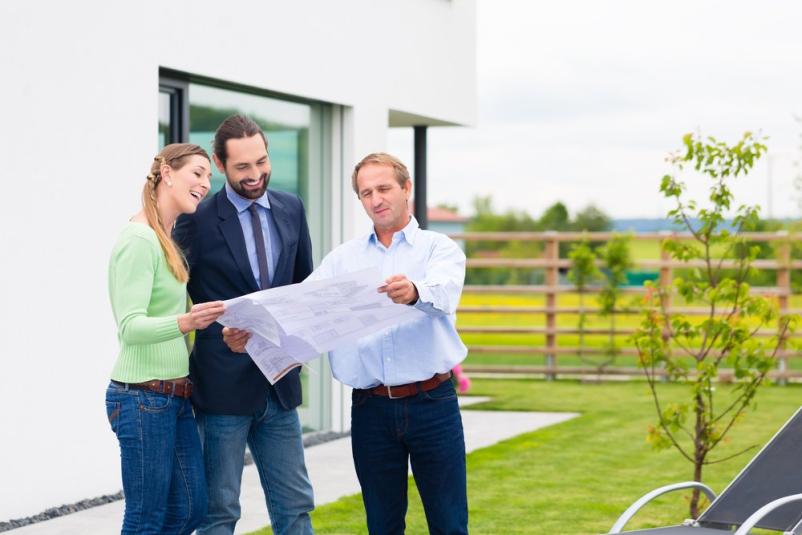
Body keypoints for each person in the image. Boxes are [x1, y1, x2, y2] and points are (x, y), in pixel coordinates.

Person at [225, 152, 470, 535]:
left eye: (384, 188)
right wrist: (250, 334)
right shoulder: (342, 260)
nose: (376, 199)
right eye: (366, 192)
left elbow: (445, 291)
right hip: (370, 410)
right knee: (382, 524)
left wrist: (414, 290)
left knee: (449, 523)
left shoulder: (438, 249)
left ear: (406, 189)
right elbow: (299, 311)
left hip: (432, 405)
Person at [173, 115, 315, 535]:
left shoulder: (291, 208)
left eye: (261, 162)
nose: (255, 175)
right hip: (221, 390)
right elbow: (171, 298)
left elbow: (301, 288)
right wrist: (219, 331)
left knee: (295, 506)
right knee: (219, 512)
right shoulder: (195, 220)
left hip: (279, 382)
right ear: (220, 164)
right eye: (242, 167)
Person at [106, 143, 225, 534]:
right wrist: (186, 322)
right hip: (142, 397)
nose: (205, 183)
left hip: (174, 397)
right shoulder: (139, 240)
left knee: (189, 510)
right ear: (168, 173)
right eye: (197, 173)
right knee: (146, 518)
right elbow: (131, 327)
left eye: (209, 176)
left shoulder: (166, 239)